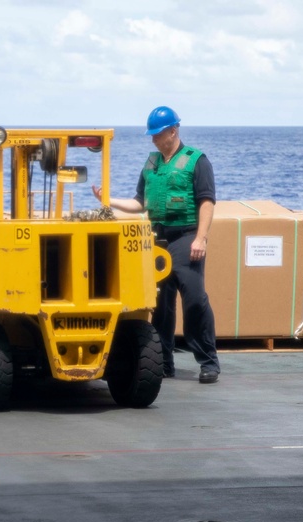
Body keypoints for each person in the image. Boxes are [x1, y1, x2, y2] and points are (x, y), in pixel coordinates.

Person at [92, 106, 220, 384]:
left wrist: (201, 238)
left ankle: (208, 361)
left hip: (186, 237)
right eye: (151, 135)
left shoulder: (197, 161)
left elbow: (207, 201)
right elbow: (139, 203)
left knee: (195, 300)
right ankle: (164, 362)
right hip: (156, 238)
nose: (153, 140)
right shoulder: (151, 164)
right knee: (160, 304)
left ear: (172, 132)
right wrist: (108, 200)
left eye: (157, 134)